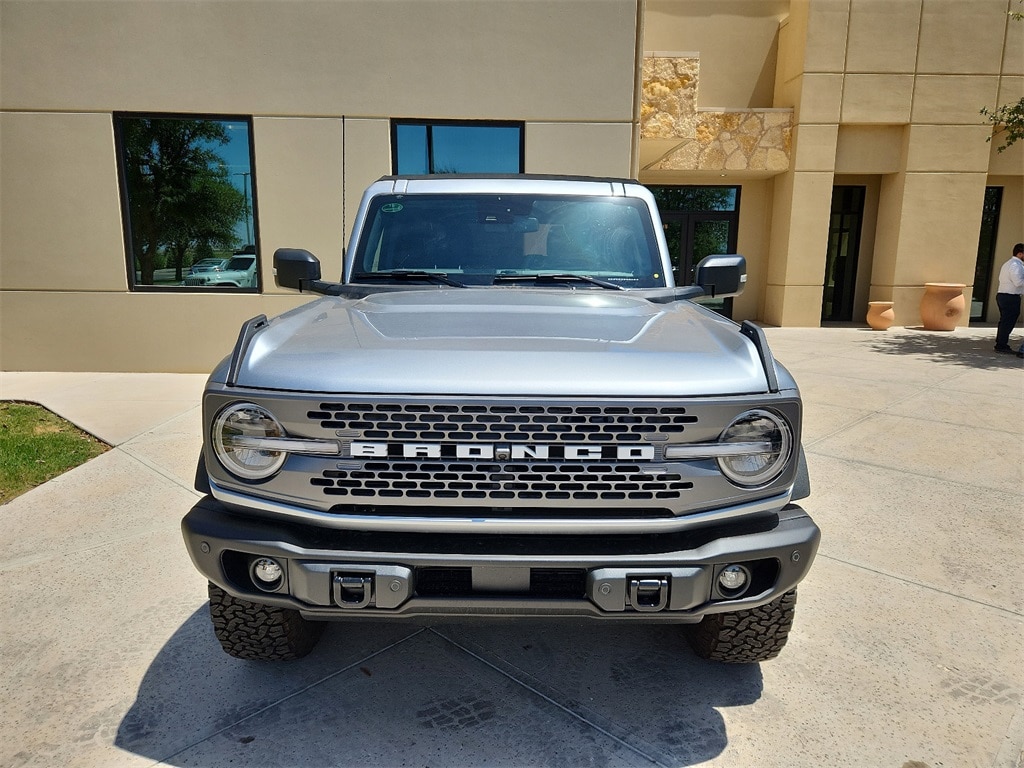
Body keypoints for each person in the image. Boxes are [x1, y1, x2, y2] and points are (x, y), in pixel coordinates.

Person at [994, 242, 1024, 354]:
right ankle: (1001, 345)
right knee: (1008, 322)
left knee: (1004, 321)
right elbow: (1018, 282)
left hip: (1003, 295)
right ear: (1020, 254)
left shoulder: (1008, 263)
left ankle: (1000, 343)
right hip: (1010, 297)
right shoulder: (1016, 265)